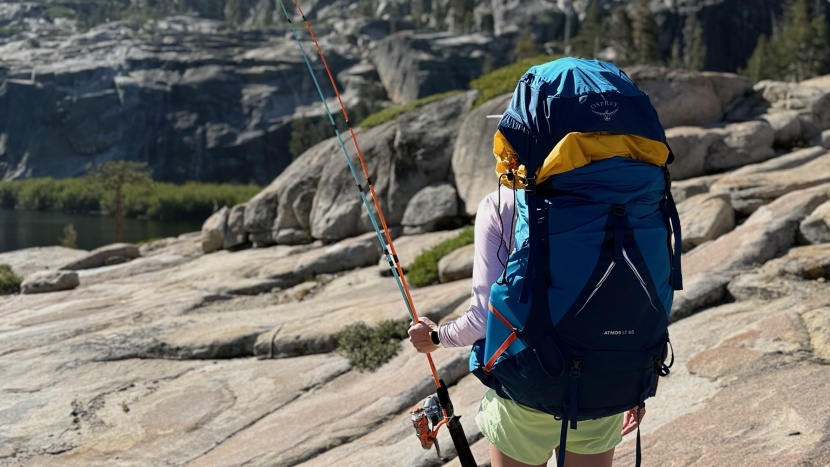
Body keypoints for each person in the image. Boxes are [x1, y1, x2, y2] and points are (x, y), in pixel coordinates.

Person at [408, 183, 645, 467]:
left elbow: (482, 320)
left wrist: (434, 337)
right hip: (601, 385)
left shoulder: (502, 203)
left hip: (526, 390)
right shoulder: (614, 188)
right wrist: (635, 383)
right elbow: (634, 296)